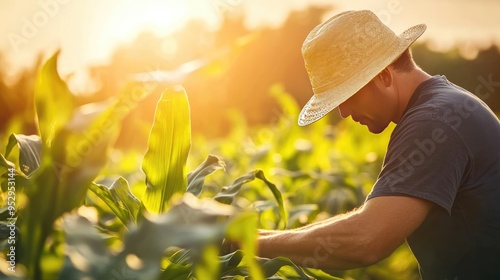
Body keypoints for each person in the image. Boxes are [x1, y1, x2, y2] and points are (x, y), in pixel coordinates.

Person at [256, 10, 500, 279]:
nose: (343, 112)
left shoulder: (433, 123)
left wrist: (249, 243)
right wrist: (260, 236)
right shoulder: (446, 105)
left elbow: (368, 239)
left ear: (384, 76)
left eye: (348, 95)